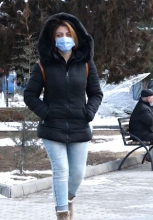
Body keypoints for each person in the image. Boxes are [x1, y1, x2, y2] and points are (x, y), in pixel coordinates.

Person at [24, 13, 103, 220]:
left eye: (68, 33)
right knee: (61, 170)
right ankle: (62, 214)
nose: (64, 37)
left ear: (76, 37)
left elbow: (96, 93)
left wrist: (89, 112)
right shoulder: (43, 66)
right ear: (53, 38)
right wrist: (46, 113)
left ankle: (68, 199)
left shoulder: (86, 64)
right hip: (52, 127)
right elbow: (30, 95)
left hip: (79, 125)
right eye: (59, 34)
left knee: (77, 174)